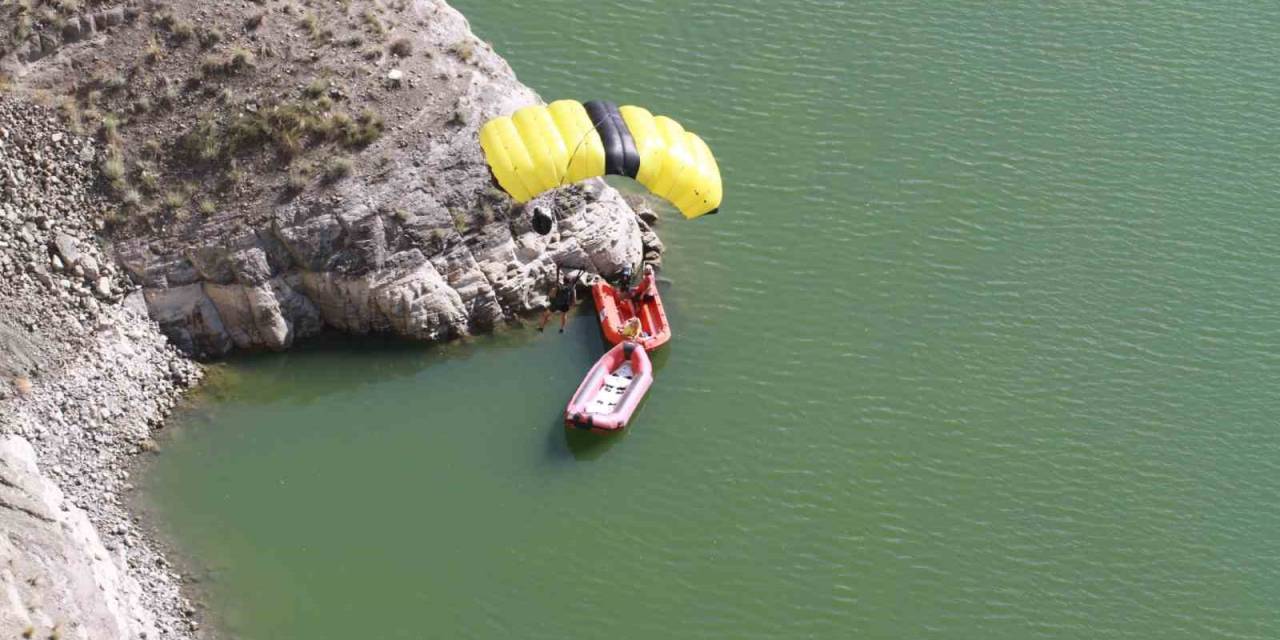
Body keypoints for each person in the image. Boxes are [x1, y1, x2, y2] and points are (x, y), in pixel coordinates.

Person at [538, 269, 580, 333]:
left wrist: (548, 297)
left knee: (546, 315)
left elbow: (552, 291)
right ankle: (562, 328)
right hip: (565, 305)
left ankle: (541, 327)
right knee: (564, 315)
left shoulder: (559, 286)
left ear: (563, 281)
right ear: (569, 282)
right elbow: (574, 285)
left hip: (556, 304)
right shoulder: (570, 288)